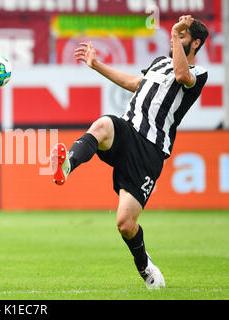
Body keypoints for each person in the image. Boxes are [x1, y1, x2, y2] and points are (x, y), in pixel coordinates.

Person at [51, 15, 208, 289]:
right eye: (175, 36)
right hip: (128, 130)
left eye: (182, 37)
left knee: (125, 223)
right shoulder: (160, 63)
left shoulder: (199, 72)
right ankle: (68, 165)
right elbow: (136, 83)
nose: (174, 41)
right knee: (102, 124)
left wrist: (172, 31)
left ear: (195, 43)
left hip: (150, 151)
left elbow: (183, 76)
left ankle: (145, 265)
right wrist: (96, 64)